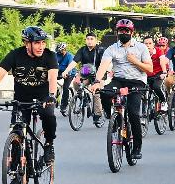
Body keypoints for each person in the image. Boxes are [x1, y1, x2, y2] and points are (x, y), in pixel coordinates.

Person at [0, 26, 58, 164]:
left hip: (44, 97)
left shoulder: (50, 56)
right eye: (37, 43)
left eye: (43, 42)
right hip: (21, 98)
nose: (41, 46)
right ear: (26, 43)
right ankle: (16, 166)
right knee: (17, 129)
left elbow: (53, 77)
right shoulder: (15, 55)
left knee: (49, 115)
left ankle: (49, 144)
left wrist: (51, 95)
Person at [90, 19, 152, 159]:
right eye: (121, 31)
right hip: (119, 80)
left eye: (126, 31)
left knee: (133, 112)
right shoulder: (112, 48)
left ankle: (137, 147)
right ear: (117, 32)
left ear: (132, 32)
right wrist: (97, 81)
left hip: (137, 82)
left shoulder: (141, 47)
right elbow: (103, 66)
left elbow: (149, 69)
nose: (123, 33)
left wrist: (135, 61)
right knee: (105, 92)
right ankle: (114, 119)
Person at [62, 32, 105, 124]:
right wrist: (66, 71)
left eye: (92, 39)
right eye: (88, 39)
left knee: (96, 93)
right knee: (76, 83)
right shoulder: (82, 50)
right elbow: (74, 62)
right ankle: (83, 98)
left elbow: (105, 64)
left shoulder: (100, 50)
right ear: (85, 40)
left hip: (98, 74)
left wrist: (103, 75)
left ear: (96, 41)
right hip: (85, 71)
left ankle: (97, 115)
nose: (89, 41)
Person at [143, 36, 168, 112]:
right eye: (146, 43)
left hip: (158, 73)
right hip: (146, 74)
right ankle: (144, 113)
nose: (148, 45)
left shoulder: (159, 51)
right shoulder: (141, 52)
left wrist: (164, 72)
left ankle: (163, 102)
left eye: (150, 43)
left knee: (156, 87)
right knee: (143, 92)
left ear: (153, 44)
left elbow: (162, 61)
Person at [55, 42, 76, 114]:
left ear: (64, 50)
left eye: (60, 51)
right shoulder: (57, 55)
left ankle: (64, 106)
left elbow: (70, 66)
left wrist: (67, 74)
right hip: (60, 71)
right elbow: (53, 63)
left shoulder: (70, 56)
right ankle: (55, 94)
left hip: (69, 73)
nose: (59, 52)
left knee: (65, 87)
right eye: (58, 51)